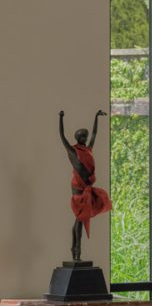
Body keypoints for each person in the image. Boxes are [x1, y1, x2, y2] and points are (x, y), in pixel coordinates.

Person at [58, 109, 112, 262]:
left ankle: (76, 251)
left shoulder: (88, 150)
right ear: (78, 137)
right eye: (83, 136)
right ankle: (76, 252)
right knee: (79, 220)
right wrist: (61, 118)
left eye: (85, 136)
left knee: (79, 221)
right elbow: (62, 137)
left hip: (87, 189)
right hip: (78, 190)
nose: (85, 138)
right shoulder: (73, 151)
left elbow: (95, 133)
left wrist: (96, 117)